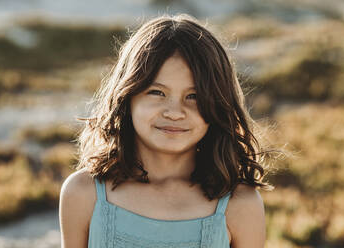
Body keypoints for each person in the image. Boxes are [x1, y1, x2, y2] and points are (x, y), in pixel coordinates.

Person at [59, 14, 273, 248]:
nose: (174, 112)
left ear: (218, 105)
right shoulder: (83, 194)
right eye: (157, 93)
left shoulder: (240, 204)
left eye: (194, 97)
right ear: (127, 97)